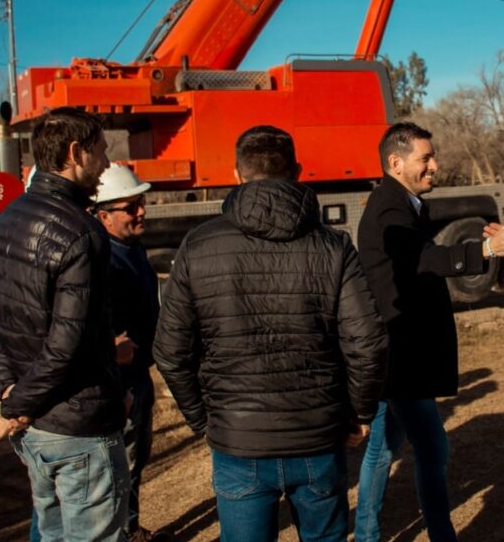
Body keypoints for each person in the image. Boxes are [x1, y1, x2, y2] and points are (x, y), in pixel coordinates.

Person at [153, 125, 387, 542]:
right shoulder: (333, 246)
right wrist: (358, 413)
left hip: (240, 441)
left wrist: (203, 420)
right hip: (315, 434)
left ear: (236, 173)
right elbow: (366, 342)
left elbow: (171, 351)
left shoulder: (197, 245)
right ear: (297, 170)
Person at [353, 122, 504, 542]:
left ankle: (366, 536)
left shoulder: (404, 201)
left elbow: (424, 259)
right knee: (434, 449)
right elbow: (422, 259)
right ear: (395, 163)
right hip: (400, 358)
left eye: (433, 157)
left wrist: (490, 243)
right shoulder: (388, 208)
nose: (435, 165)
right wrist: (488, 249)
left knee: (381, 453)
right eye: (425, 158)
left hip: (398, 357)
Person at [0, 107, 130, 541]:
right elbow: (66, 348)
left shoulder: (7, 220)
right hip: (75, 429)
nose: (107, 164)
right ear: (76, 153)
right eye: (101, 151)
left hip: (34, 430)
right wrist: (11, 404)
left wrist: (8, 393)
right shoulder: (83, 233)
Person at [91, 164, 170, 542]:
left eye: (142, 202)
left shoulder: (132, 249)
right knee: (117, 466)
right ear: (103, 215)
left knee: (135, 461)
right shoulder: (101, 260)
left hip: (138, 376)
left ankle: (131, 527)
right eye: (131, 206)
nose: (141, 211)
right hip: (118, 384)